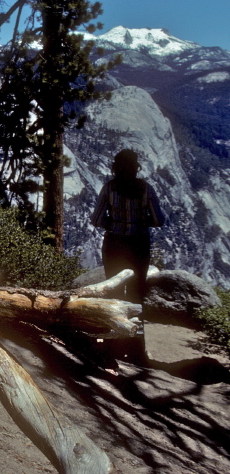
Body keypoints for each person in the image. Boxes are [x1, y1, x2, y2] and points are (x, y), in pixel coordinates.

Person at [92, 149, 165, 363]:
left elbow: (96, 219)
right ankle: (136, 349)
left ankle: (112, 344)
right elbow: (159, 220)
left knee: (113, 292)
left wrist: (114, 223)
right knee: (136, 295)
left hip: (114, 244)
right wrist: (141, 222)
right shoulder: (146, 189)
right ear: (136, 167)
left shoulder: (109, 188)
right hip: (138, 246)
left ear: (115, 167)